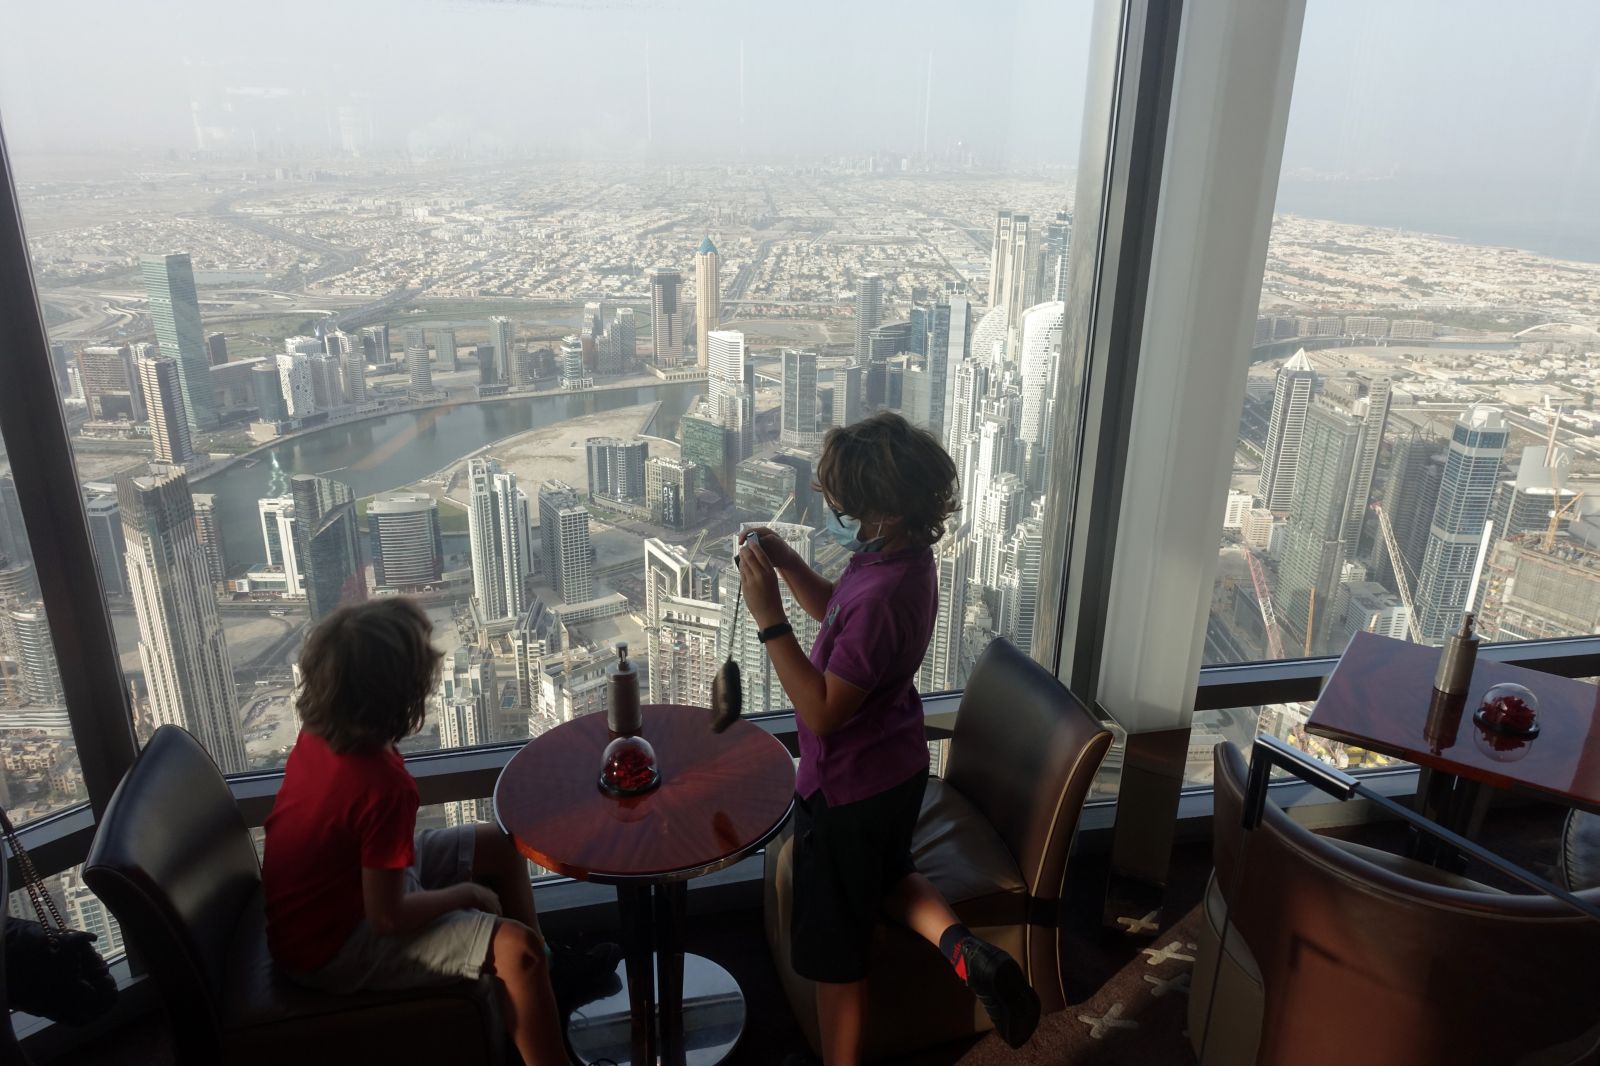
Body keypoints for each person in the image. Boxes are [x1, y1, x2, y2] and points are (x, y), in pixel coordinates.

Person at [737, 411, 1041, 1064]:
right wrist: (787, 563)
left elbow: (823, 711)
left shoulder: (880, 594)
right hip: (895, 772)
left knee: (836, 957)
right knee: (886, 874)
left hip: (847, 792)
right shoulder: (899, 563)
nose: (841, 513)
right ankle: (967, 951)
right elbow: (837, 615)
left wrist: (768, 620)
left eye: (851, 505)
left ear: (889, 512)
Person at [261, 599, 567, 1066]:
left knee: (500, 846)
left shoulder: (321, 733)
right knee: (517, 953)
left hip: (335, 901)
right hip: (331, 946)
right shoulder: (381, 784)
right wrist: (465, 894)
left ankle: (549, 971)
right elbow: (387, 917)